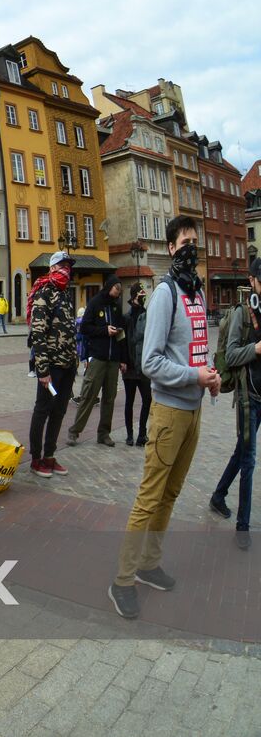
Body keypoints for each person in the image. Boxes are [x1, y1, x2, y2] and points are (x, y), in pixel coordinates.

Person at [109, 216, 221, 620]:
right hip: (169, 412)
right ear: (171, 247)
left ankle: (149, 564)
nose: (192, 246)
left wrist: (208, 375)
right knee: (149, 496)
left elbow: (193, 350)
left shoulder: (197, 294)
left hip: (193, 412)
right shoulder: (165, 294)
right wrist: (193, 375)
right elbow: (150, 360)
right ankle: (122, 580)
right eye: (184, 242)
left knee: (170, 494)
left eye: (196, 240)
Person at [209, 259, 261, 550]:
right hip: (247, 397)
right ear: (252, 280)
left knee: (243, 451)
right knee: (249, 460)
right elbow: (230, 356)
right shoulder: (243, 313)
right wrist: (254, 349)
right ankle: (243, 526)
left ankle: (218, 495)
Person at [26, 252, 78, 479]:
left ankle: (49, 455)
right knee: (43, 409)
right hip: (52, 367)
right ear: (52, 268)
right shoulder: (43, 292)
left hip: (67, 366)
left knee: (59, 410)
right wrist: (43, 370)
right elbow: (37, 334)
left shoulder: (66, 293)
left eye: (68, 265)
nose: (66, 269)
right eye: (62, 265)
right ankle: (36, 459)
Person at [67, 276, 127, 447]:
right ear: (109, 287)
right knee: (89, 395)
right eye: (116, 288)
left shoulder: (116, 306)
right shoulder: (95, 303)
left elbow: (122, 335)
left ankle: (104, 433)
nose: (118, 292)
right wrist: (104, 330)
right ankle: (74, 431)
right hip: (98, 358)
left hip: (113, 359)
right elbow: (85, 327)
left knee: (109, 398)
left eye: (119, 290)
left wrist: (123, 358)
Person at [121, 283, 152, 447]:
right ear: (133, 297)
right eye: (140, 294)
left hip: (144, 366)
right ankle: (129, 435)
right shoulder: (126, 318)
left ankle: (142, 434)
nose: (143, 297)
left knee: (147, 399)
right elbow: (122, 341)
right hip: (130, 366)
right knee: (129, 401)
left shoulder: (148, 316)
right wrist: (123, 360)